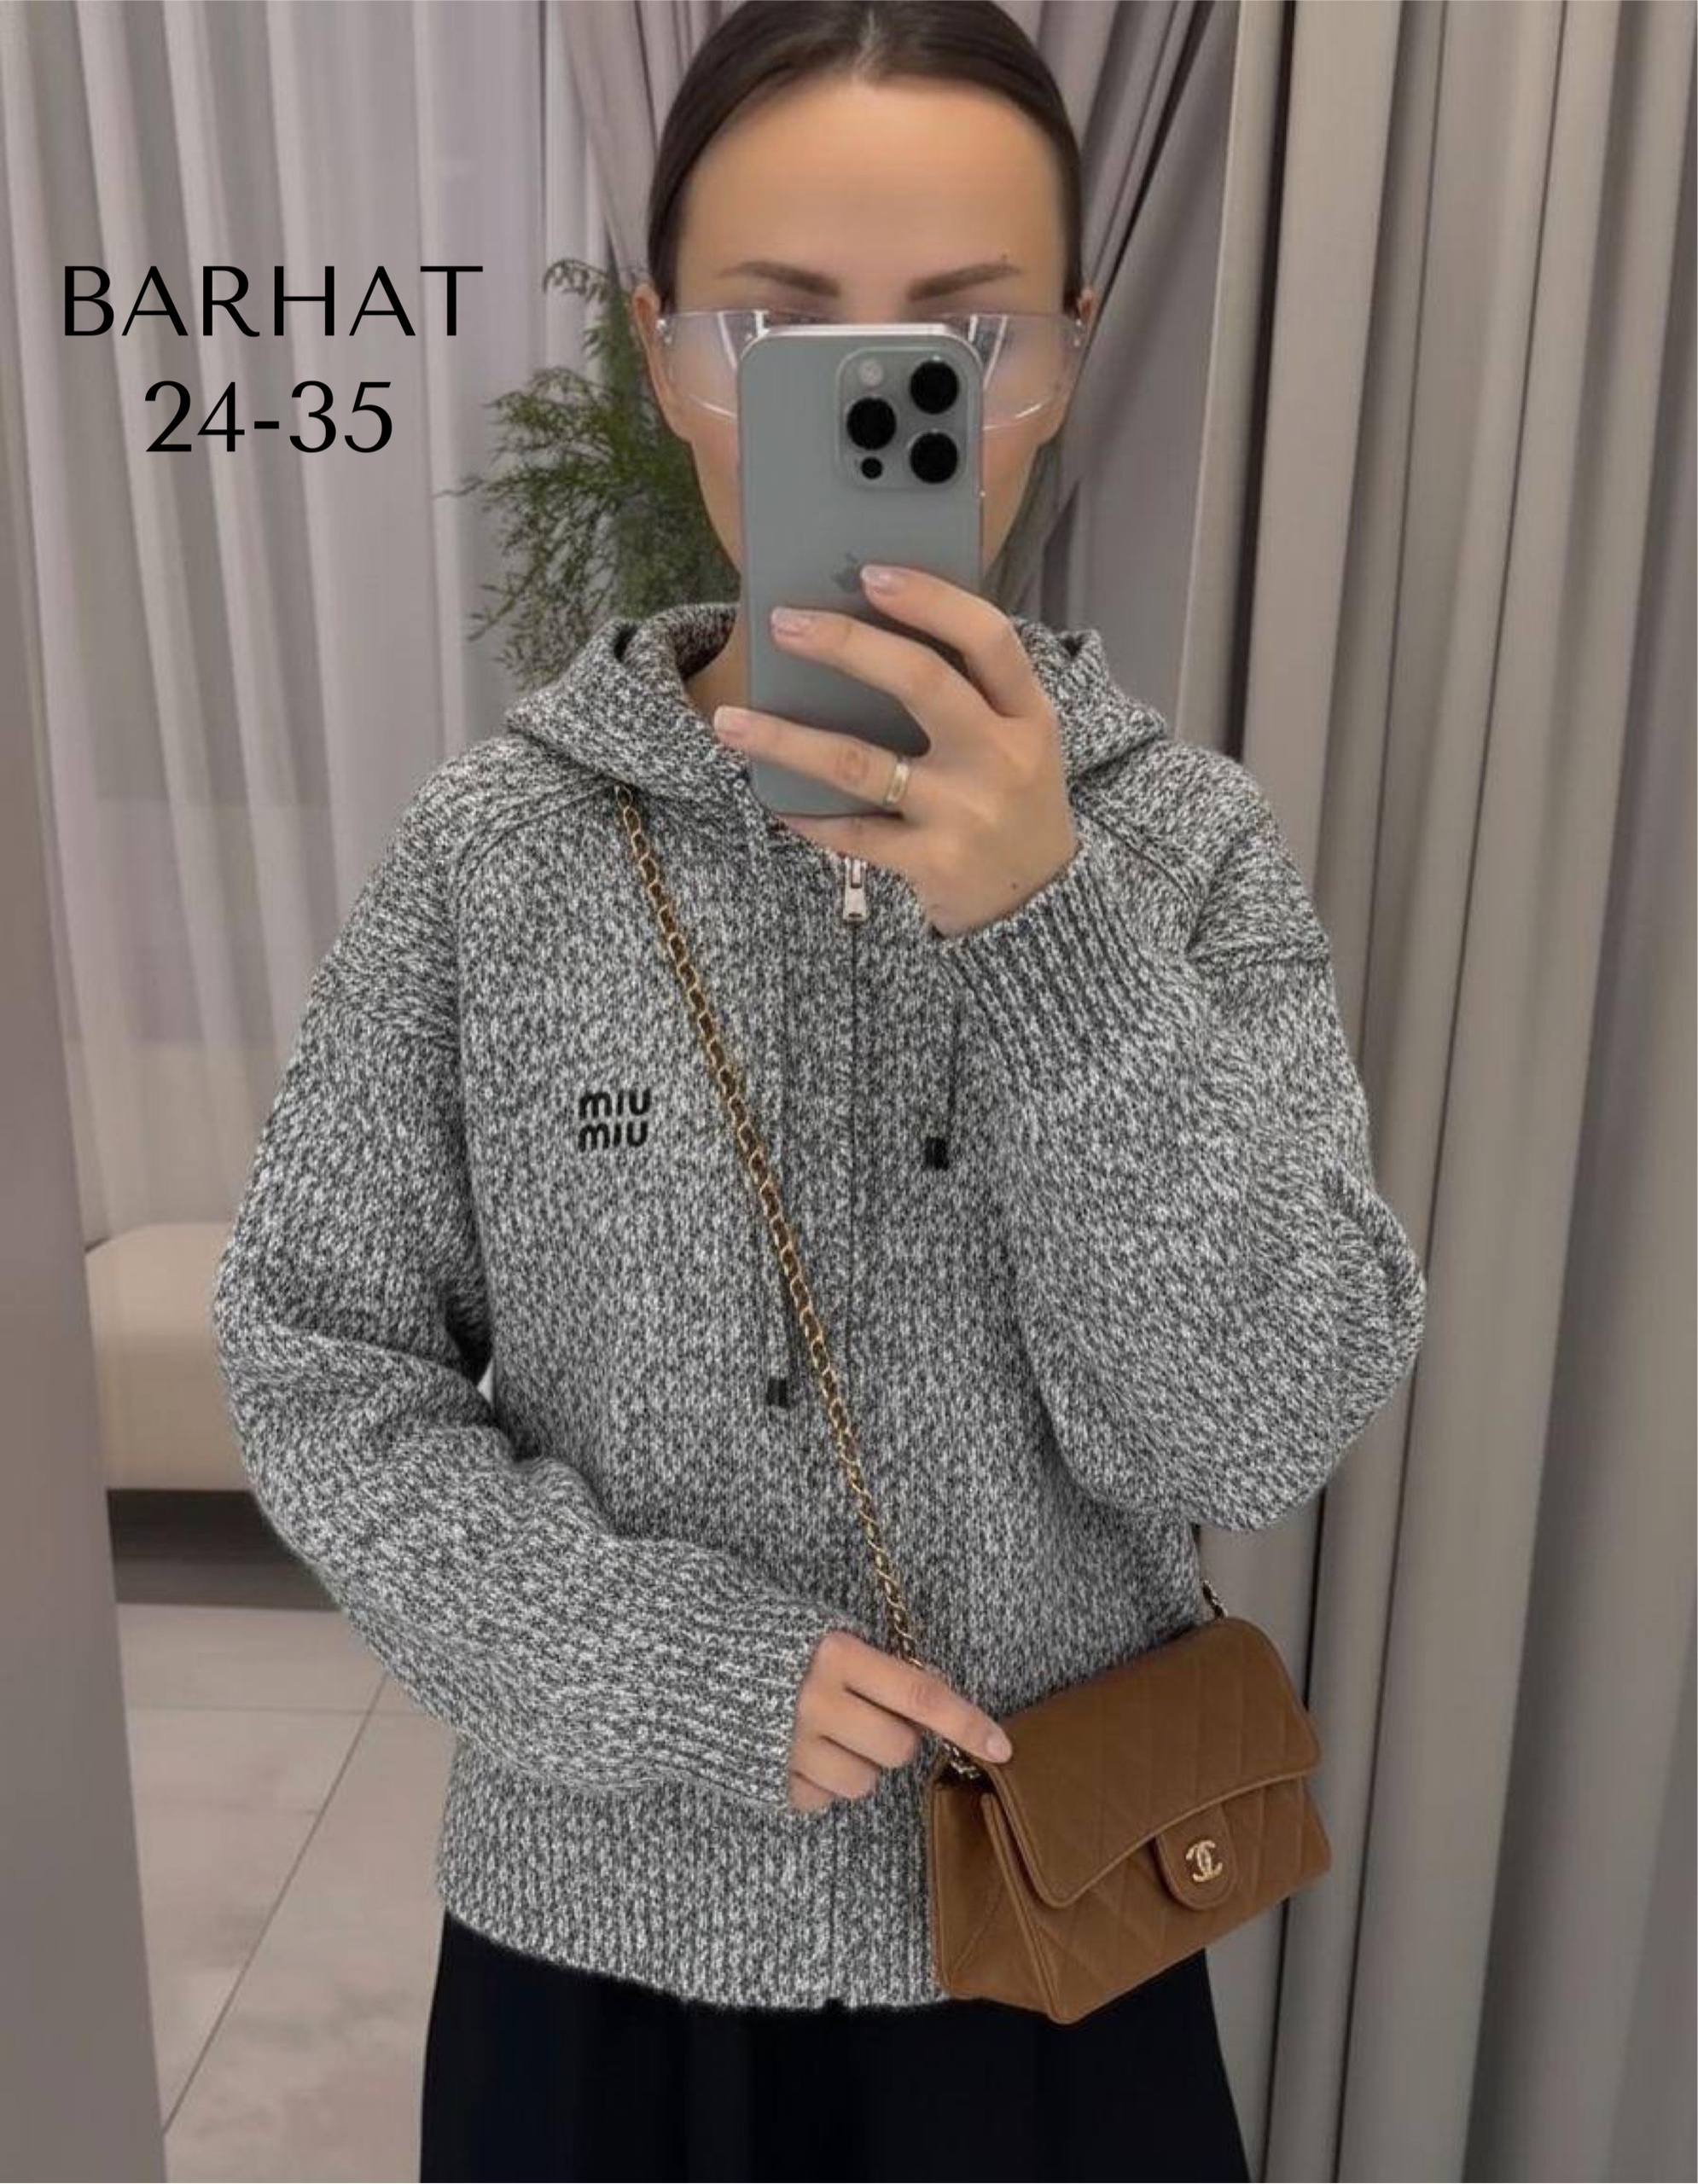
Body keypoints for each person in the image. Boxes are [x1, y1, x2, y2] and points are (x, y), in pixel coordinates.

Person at [212, 3, 1428, 2179]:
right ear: (664, 354)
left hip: (1054, 1953)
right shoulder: (492, 857)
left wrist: (1046, 927)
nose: (873, 401)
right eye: (778, 330)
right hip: (591, 1951)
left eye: (961, 334)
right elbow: (316, 1363)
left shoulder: (1180, 848)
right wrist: (658, 1663)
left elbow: (1253, 1425)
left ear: (1062, 358)